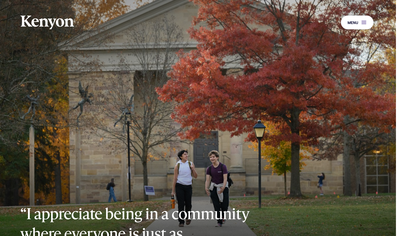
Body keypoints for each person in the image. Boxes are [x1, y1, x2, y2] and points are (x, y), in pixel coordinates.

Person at [171, 150, 198, 227]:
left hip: (188, 186)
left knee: (188, 204)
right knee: (181, 204)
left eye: (187, 154)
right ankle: (181, 221)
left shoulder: (190, 164)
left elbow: (195, 176)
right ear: (181, 156)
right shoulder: (177, 165)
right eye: (185, 154)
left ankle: (188, 217)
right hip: (179, 186)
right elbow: (175, 178)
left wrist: (193, 169)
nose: (186, 156)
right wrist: (173, 191)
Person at [205, 150, 229, 227]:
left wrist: (223, 188)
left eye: (213, 157)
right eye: (210, 157)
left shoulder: (223, 166)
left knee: (224, 205)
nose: (212, 158)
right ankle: (219, 221)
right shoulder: (209, 168)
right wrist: (206, 188)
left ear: (217, 157)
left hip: (223, 186)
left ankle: (223, 216)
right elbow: (208, 179)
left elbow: (225, 178)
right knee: (216, 206)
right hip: (214, 187)